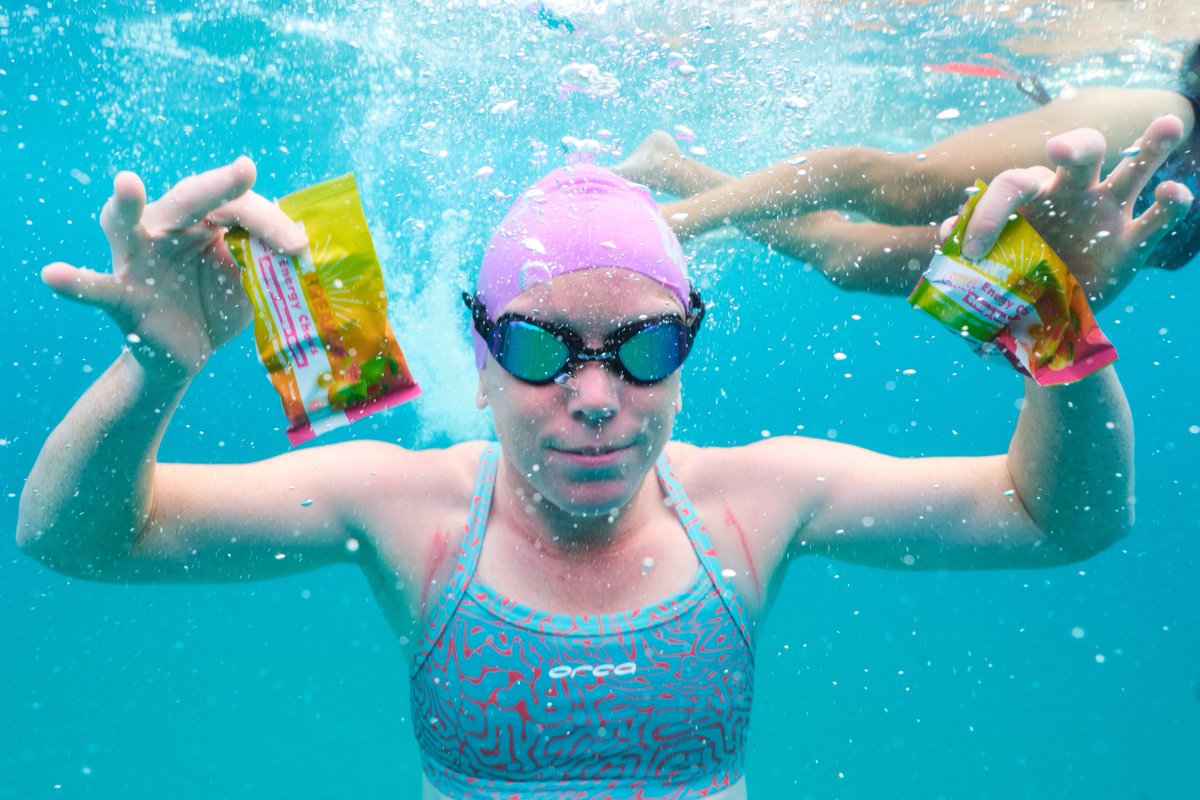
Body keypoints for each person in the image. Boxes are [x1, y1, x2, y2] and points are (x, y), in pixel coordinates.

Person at [17, 115, 1193, 799]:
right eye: (537, 348)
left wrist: (1056, 332)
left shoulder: (756, 494)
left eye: (644, 349)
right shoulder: (405, 501)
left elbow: (1060, 519)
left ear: (687, 351)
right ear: (478, 359)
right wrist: (161, 365)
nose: (593, 398)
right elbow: (70, 540)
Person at [618, 43, 1200, 307]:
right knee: (908, 187)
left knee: (849, 261)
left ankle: (669, 167)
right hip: (1146, 130)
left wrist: (1064, 316)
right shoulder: (1170, 115)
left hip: (1060, 250)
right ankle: (676, 221)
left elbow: (1057, 333)